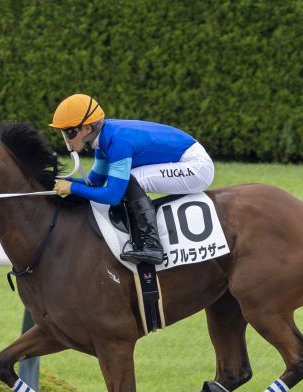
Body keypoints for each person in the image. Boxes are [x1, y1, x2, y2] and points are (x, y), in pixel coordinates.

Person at [49, 94, 215, 265]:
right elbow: (95, 183)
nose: (66, 140)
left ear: (88, 129)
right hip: (187, 159)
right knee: (126, 179)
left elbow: (113, 195)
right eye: (64, 133)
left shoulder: (116, 142)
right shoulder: (102, 142)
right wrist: (59, 182)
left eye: (70, 132)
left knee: (129, 179)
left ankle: (153, 246)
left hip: (197, 167)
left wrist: (71, 188)